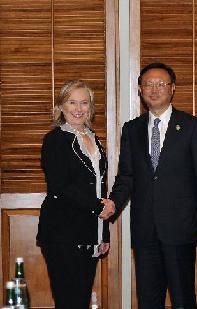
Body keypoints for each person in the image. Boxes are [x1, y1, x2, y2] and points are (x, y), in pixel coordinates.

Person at [105, 63, 197, 308]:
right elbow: (127, 176)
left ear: (172, 88)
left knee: (182, 298)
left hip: (180, 227)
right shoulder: (131, 129)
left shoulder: (192, 126)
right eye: (148, 84)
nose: (154, 90)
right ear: (140, 90)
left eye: (160, 84)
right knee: (148, 300)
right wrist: (113, 202)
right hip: (145, 230)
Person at [36, 80, 115, 309]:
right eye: (72, 102)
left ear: (90, 108)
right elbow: (62, 186)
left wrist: (103, 235)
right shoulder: (54, 140)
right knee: (68, 301)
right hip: (62, 232)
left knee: (81, 300)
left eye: (84, 103)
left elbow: (99, 187)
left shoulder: (93, 138)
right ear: (61, 106)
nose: (78, 109)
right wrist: (99, 207)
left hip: (90, 232)